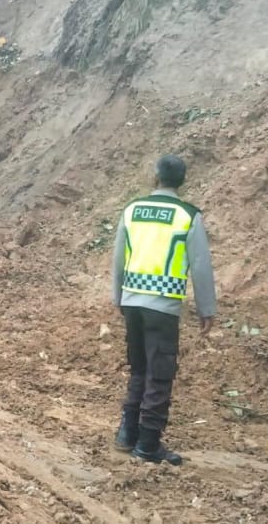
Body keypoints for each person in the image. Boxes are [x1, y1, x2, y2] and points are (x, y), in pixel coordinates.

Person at [111, 154, 216, 465]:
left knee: (139, 369)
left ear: (155, 177)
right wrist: (206, 309)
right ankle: (148, 444)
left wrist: (119, 297)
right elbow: (200, 265)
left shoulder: (132, 211)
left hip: (132, 301)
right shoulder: (187, 215)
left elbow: (118, 259)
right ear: (181, 181)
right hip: (164, 306)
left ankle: (126, 434)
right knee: (160, 374)